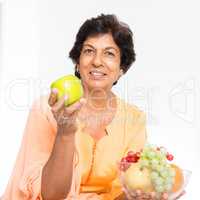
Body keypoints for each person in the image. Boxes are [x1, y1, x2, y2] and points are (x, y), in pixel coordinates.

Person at [2, 14, 174, 200]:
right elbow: (51, 195)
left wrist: (145, 191)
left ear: (121, 69)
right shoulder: (48, 108)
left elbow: (126, 191)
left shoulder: (134, 118)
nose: (97, 61)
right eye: (89, 51)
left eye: (109, 53)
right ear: (77, 62)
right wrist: (65, 132)